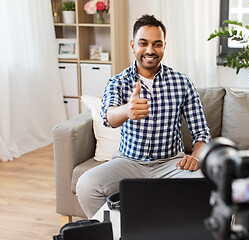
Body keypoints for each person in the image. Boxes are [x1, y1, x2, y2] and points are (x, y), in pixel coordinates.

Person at [76, 14, 211, 218]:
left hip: (171, 163)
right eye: (143, 43)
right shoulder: (118, 82)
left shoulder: (183, 83)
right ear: (133, 45)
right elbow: (108, 117)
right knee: (86, 185)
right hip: (129, 163)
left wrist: (197, 157)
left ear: (164, 46)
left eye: (157, 44)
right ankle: (119, 231)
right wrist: (127, 110)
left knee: (209, 186)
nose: (150, 50)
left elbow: (201, 133)